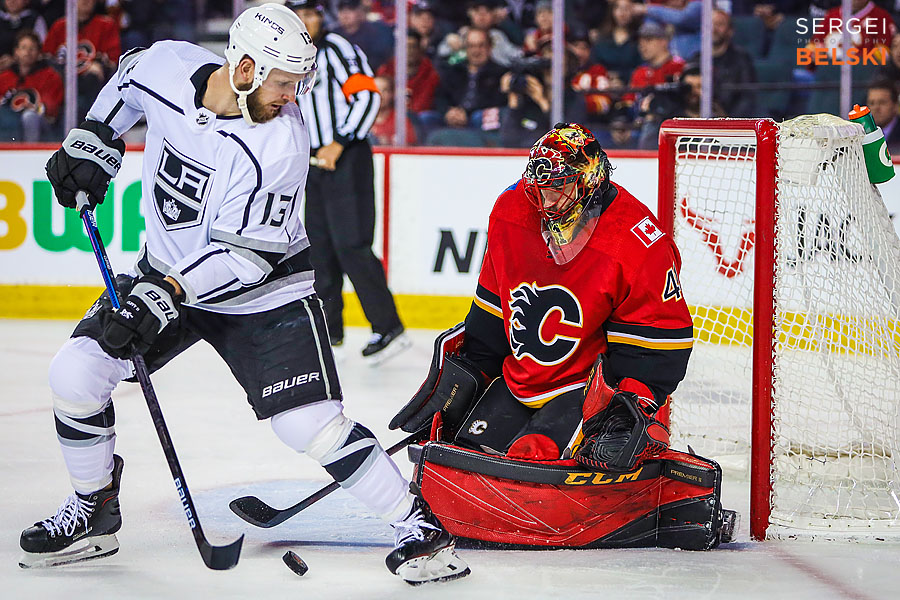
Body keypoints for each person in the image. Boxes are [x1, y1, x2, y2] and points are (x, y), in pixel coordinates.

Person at [18, 3, 469, 585]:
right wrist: (94, 138)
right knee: (75, 375)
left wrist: (165, 293)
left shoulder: (280, 145)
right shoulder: (170, 67)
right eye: (284, 83)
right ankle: (93, 510)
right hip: (164, 272)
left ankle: (417, 526)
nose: (293, 95)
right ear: (246, 67)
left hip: (265, 295)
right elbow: (128, 77)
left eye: (299, 83)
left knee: (308, 425)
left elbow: (247, 258)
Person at [392, 122, 693, 471]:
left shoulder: (638, 242)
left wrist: (631, 406)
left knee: (535, 458)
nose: (545, 201)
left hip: (588, 390)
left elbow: (657, 343)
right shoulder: (511, 209)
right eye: (540, 189)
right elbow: (493, 311)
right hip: (520, 379)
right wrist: (469, 375)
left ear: (589, 180)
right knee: (463, 453)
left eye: (557, 189)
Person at [288, 0, 411, 363]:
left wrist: (339, 142)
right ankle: (331, 328)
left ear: (321, 17)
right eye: (299, 15)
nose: (306, 21)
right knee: (319, 247)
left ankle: (388, 326)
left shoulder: (338, 48)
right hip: (312, 162)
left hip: (346, 157)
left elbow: (368, 96)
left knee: (351, 244)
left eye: (311, 13)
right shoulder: (291, 56)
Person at [42, 0, 120, 122]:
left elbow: (112, 61)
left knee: (92, 78)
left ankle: (93, 126)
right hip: (62, 82)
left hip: (90, 85)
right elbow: (47, 59)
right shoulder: (60, 26)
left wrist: (99, 66)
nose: (85, 1)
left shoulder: (105, 25)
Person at [688, 9, 756, 118]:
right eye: (709, 24)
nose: (713, 29)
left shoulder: (741, 59)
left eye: (719, 24)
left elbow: (747, 98)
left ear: (730, 31)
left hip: (731, 123)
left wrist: (728, 120)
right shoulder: (695, 60)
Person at [0, 29, 62, 141]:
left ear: (39, 53)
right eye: (23, 48)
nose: (27, 52)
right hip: (11, 124)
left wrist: (36, 108)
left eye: (32, 48)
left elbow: (52, 110)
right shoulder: (5, 77)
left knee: (29, 116)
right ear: (16, 51)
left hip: (42, 124)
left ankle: (30, 153)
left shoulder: (50, 76)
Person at [0, 0, 48, 72]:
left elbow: (41, 51)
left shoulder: (35, 19)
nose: (12, 1)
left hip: (26, 71)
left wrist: (15, 60)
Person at [867, 79, 900, 155]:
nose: (876, 108)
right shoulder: (861, 134)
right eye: (872, 103)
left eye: (882, 102)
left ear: (895, 106)